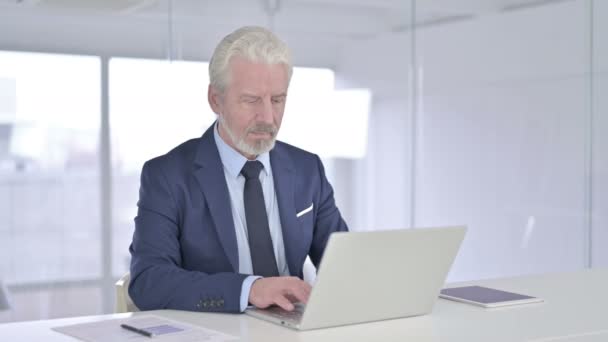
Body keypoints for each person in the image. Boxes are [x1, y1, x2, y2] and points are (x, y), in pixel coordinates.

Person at [128, 26, 348, 314]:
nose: (268, 117)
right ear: (215, 100)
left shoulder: (308, 169)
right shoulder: (167, 176)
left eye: (277, 100)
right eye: (251, 100)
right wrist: (249, 289)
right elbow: (149, 281)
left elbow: (344, 266)